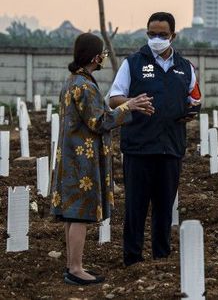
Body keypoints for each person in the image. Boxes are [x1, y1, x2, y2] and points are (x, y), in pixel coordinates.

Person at [50, 33, 154, 285]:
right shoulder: (85, 86)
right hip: (82, 161)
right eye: (102, 54)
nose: (103, 58)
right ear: (95, 57)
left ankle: (72, 265)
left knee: (73, 214)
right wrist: (128, 107)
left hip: (71, 157)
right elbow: (99, 121)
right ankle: (76, 269)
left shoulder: (73, 82)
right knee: (81, 214)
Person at [109, 12, 201, 267]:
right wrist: (132, 102)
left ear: (173, 35)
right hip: (139, 147)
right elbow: (114, 97)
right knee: (135, 208)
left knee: (164, 209)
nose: (156, 39)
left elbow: (195, 99)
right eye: (152, 34)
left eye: (162, 35)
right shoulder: (134, 63)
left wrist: (191, 111)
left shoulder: (185, 68)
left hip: (171, 147)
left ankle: (161, 258)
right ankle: (132, 259)